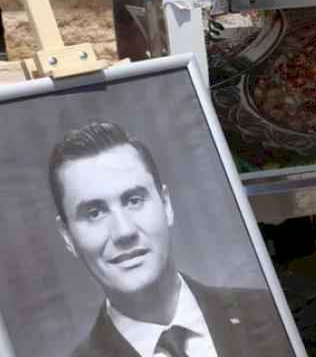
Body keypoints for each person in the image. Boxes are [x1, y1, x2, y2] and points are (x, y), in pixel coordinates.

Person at [48, 122, 290, 357]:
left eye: (134, 200)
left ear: (166, 205)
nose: (124, 232)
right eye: (94, 213)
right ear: (68, 236)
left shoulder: (273, 312)